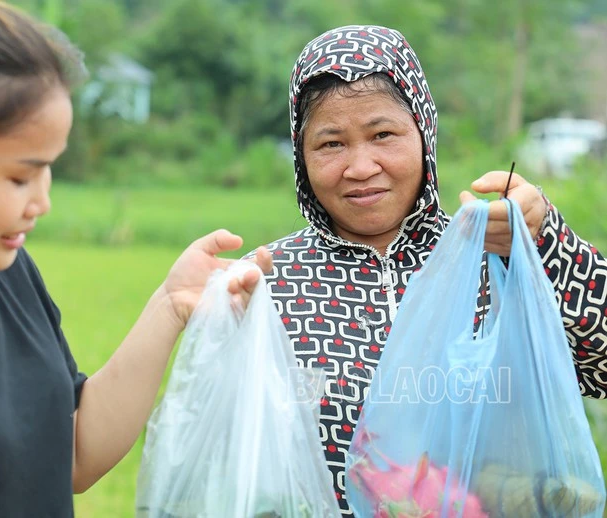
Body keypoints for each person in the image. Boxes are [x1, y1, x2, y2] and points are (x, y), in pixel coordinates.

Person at [0, 1, 271, 517]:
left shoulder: (4, 268)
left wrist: (171, 305)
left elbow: (75, 452)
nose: (42, 202)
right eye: (20, 176)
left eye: (49, 170)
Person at [256, 24, 607, 516]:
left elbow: (602, 369)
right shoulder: (270, 282)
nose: (360, 167)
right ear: (301, 155)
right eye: (331, 144)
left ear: (424, 133)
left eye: (383, 135)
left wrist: (546, 243)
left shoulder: (490, 258)